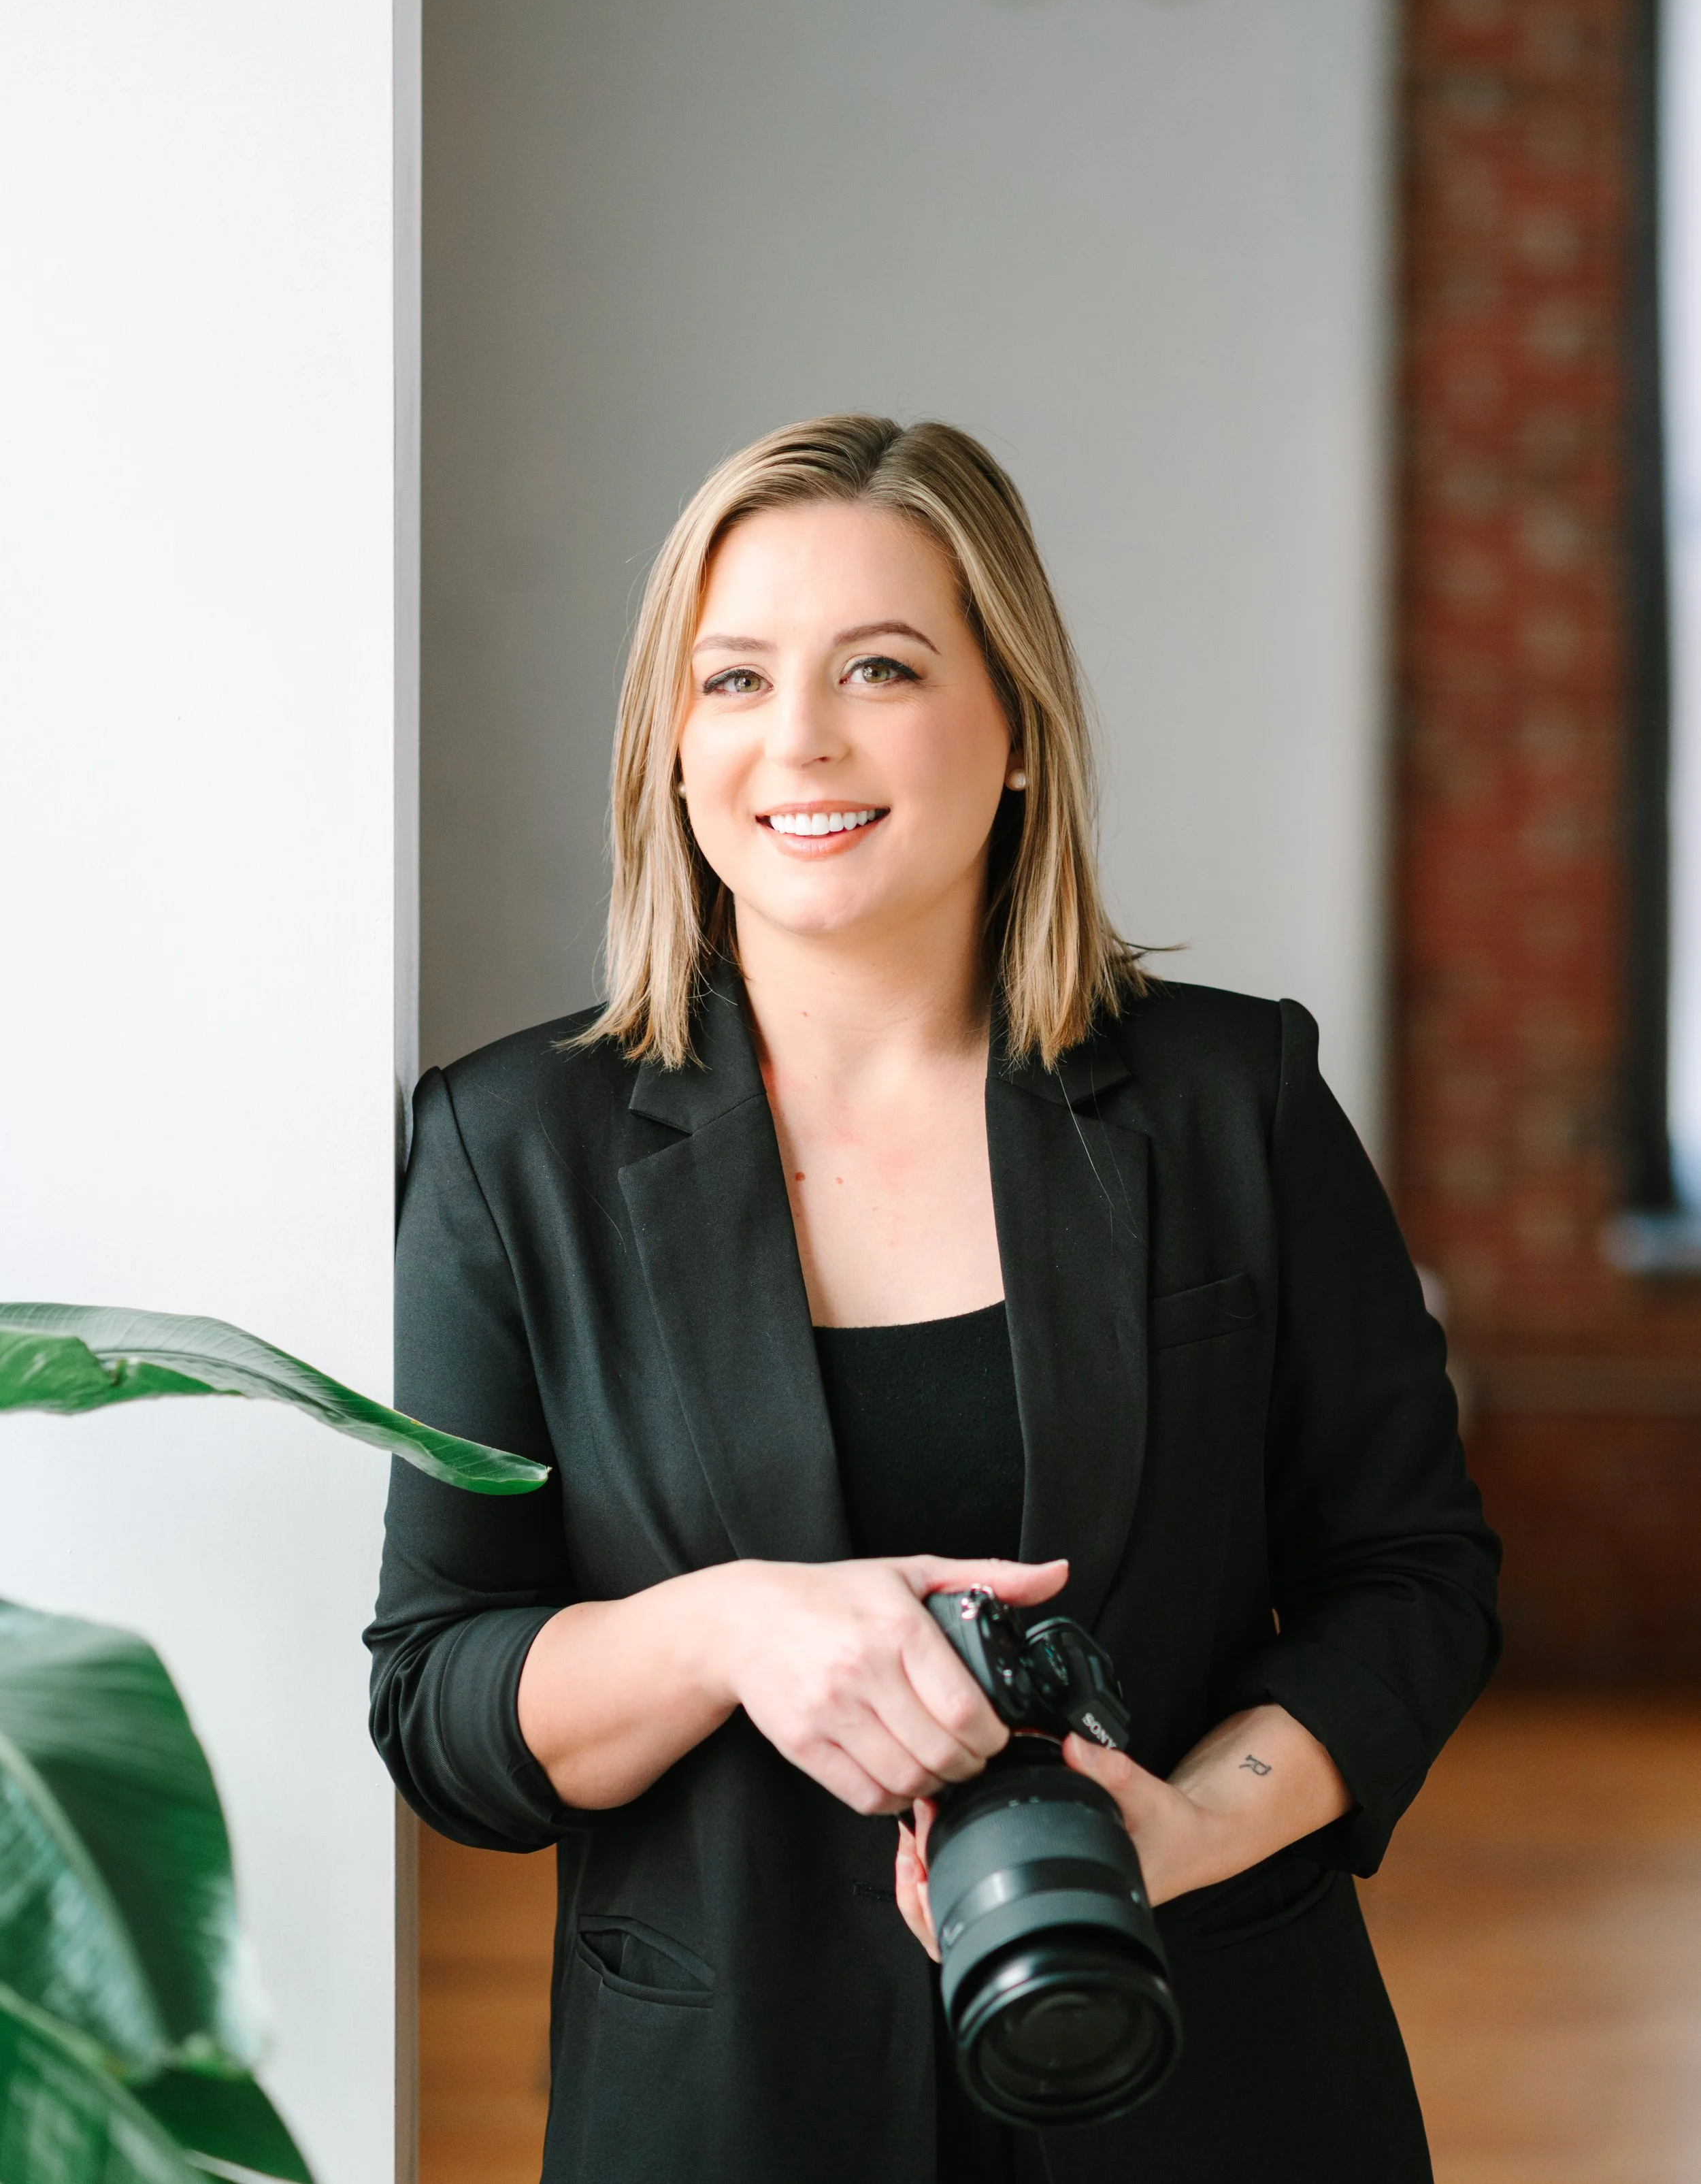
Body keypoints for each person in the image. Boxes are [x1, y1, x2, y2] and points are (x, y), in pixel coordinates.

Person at [367, 414, 1500, 2184]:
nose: (797, 738)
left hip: (1212, 2087)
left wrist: (1188, 1828)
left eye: (878, 666)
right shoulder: (511, 1150)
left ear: (1016, 726)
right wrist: (732, 1627)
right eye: (730, 678)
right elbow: (442, 1696)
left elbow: (1411, 1574)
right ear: (671, 751)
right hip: (727, 2114)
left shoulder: (1234, 1101)